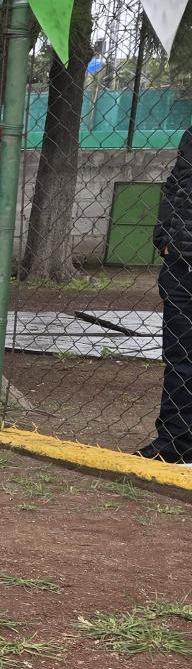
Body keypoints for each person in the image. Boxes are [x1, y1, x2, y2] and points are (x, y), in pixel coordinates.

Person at [140, 125, 192, 464]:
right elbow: (176, 186)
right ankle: (176, 441)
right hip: (181, 267)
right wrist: (165, 238)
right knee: (180, 358)